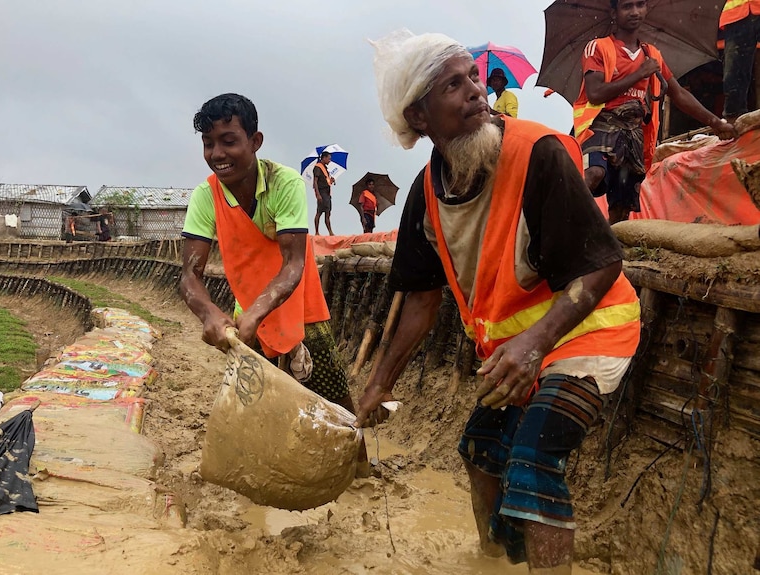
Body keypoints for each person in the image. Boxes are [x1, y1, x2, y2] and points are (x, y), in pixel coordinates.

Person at [359, 29, 643, 573]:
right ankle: (493, 561)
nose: (475, 92)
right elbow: (421, 299)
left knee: (532, 461)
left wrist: (535, 344)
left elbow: (605, 262)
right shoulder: (425, 194)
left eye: (473, 78)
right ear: (419, 117)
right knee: (479, 453)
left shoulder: (539, 153)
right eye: (453, 85)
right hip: (520, 351)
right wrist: (379, 386)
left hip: (592, 329)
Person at [179, 93, 369, 476]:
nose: (217, 153)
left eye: (228, 141)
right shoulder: (205, 196)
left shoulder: (283, 183)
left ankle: (360, 473)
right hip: (246, 314)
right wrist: (210, 314)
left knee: (334, 397)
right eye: (208, 144)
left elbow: (294, 263)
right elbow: (189, 276)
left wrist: (257, 313)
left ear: (255, 141)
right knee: (257, 407)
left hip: (301, 307)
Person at [574, 0, 737, 224]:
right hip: (601, 126)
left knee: (622, 206)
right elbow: (595, 93)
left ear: (646, 10)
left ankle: (611, 251)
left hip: (634, 133)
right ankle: (560, 229)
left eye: (640, 5)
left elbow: (679, 95)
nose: (634, 12)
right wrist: (640, 73)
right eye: (627, 6)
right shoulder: (597, 47)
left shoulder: (652, 55)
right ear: (614, 12)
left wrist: (716, 123)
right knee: (594, 174)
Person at [720, 0, 760, 123]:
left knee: (734, 70)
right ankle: (734, 120)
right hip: (736, 13)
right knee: (734, 73)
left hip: (738, 14)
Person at [313, 151, 335, 235]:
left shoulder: (325, 168)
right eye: (329, 159)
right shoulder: (318, 167)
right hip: (321, 192)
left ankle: (330, 232)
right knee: (319, 212)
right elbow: (315, 181)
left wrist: (331, 181)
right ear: (324, 158)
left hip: (327, 193)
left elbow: (325, 181)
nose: (329, 160)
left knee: (328, 212)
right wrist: (318, 194)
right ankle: (317, 232)